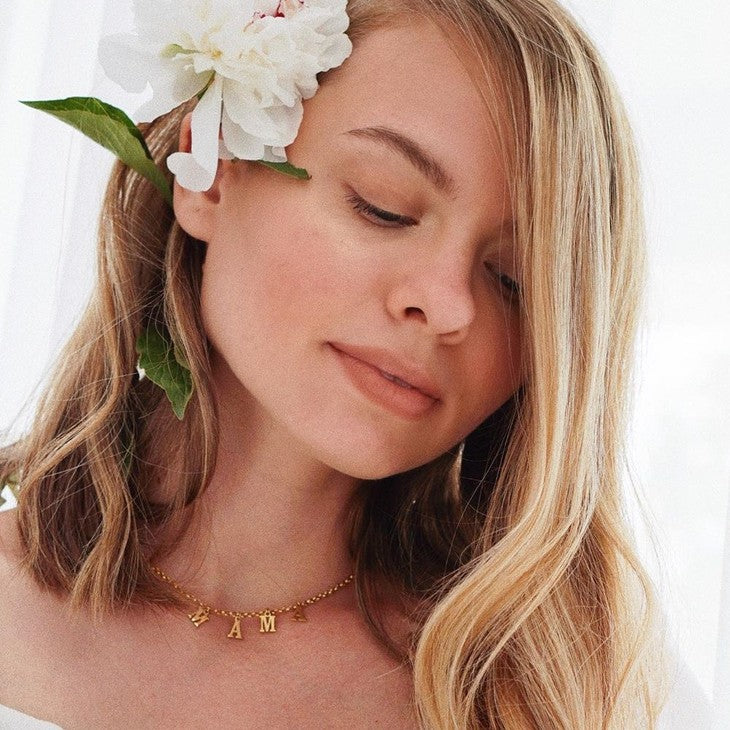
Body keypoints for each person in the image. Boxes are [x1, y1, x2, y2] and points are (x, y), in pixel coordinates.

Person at [0, 0, 677, 726]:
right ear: (213, 169)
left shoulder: (568, 694)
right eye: (383, 207)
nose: (449, 306)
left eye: (514, 281)